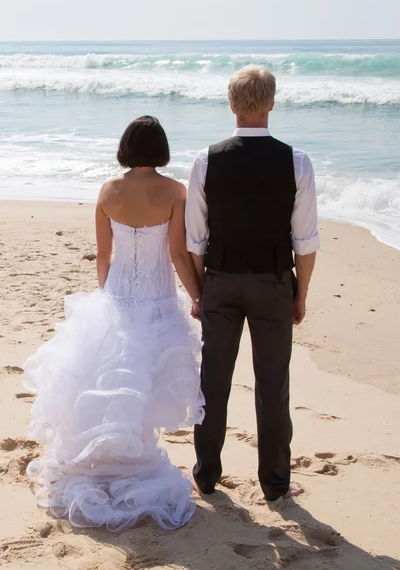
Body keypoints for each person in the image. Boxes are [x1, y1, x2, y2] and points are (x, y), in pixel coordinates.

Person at [23, 116, 205, 531]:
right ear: (160, 149)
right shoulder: (175, 191)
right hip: (158, 300)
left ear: (125, 147)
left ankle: (104, 455)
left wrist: (107, 297)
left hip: (118, 296)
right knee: (146, 380)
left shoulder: (108, 191)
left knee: (107, 378)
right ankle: (134, 457)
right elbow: (178, 254)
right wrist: (197, 295)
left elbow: (103, 256)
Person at [186, 65, 320, 501]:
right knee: (273, 384)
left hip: (220, 281)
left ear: (232, 106)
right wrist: (301, 292)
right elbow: (305, 240)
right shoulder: (296, 161)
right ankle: (276, 485)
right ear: (272, 103)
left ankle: (206, 476)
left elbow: (196, 238)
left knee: (214, 382)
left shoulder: (206, 160)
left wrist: (201, 291)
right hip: (274, 282)